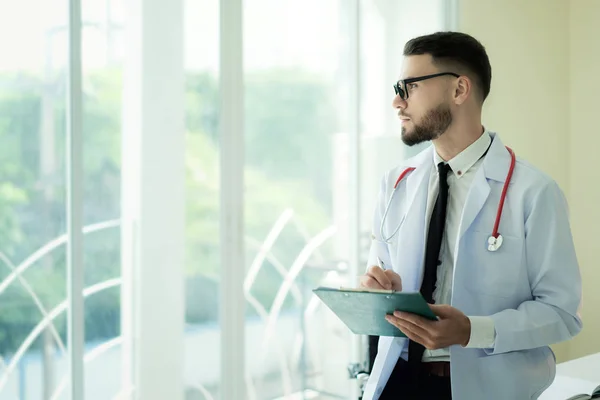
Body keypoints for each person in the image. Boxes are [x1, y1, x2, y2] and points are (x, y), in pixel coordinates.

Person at [359, 31, 583, 400]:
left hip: (482, 389)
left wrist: (471, 331)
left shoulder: (533, 191)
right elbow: (379, 277)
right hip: (397, 381)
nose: (397, 101)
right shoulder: (396, 183)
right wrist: (379, 290)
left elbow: (561, 313)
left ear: (459, 90)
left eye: (409, 86)